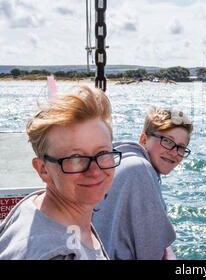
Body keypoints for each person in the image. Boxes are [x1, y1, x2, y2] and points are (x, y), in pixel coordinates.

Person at [0, 85, 121, 260]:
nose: (95, 171)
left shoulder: (33, 204)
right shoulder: (59, 255)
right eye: (76, 158)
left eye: (103, 154)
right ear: (43, 170)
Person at [93, 107, 193, 260]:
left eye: (180, 147)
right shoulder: (139, 169)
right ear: (144, 139)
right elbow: (152, 252)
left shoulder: (121, 160)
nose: (174, 152)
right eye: (167, 141)